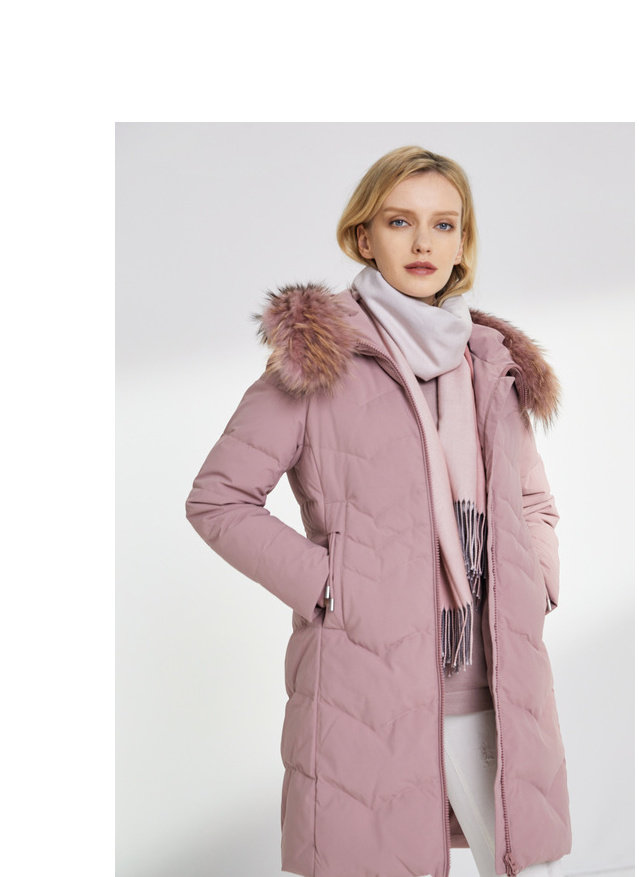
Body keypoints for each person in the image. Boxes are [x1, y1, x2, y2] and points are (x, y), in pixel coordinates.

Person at [185, 145, 572, 877]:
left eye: (443, 224)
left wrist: (538, 582)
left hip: (497, 683)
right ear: (364, 236)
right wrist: (331, 585)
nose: (423, 242)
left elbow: (532, 500)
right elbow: (218, 498)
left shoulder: (491, 363)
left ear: (462, 242)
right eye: (400, 221)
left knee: (522, 865)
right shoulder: (318, 360)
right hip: (366, 690)